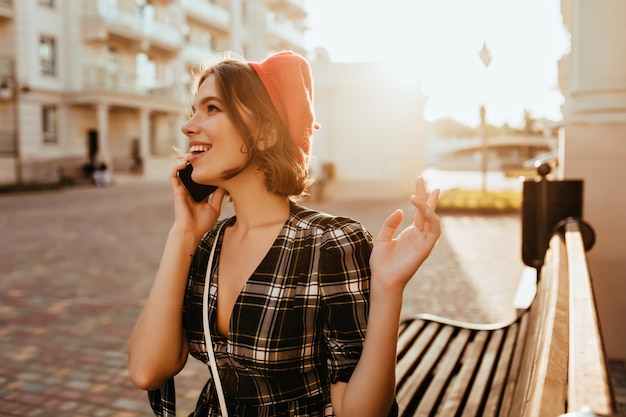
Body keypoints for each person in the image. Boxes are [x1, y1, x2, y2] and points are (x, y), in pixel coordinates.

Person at [128, 51, 440, 417]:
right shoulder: (206, 245)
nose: (188, 126)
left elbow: (358, 412)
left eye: (212, 108)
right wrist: (183, 233)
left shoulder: (331, 244)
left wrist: (388, 289)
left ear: (265, 133)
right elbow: (146, 371)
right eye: (193, 110)